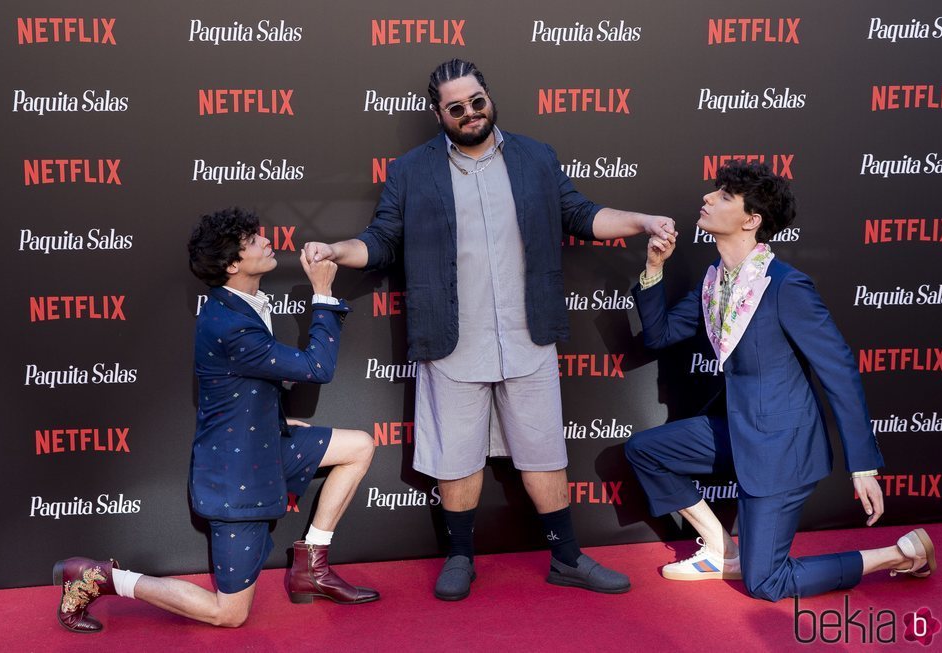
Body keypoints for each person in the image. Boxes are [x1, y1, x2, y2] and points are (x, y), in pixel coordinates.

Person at [304, 59, 675, 601]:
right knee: (456, 457)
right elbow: (382, 240)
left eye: (476, 101)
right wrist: (337, 249)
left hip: (529, 334)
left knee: (544, 451)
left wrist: (641, 221)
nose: (470, 113)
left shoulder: (534, 156)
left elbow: (582, 214)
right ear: (440, 114)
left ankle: (567, 558)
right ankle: (459, 557)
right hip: (450, 338)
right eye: (456, 107)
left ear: (487, 97)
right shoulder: (411, 170)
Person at [53, 208, 378, 633]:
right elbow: (317, 367)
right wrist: (322, 293)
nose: (266, 241)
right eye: (253, 240)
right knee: (229, 613)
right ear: (232, 264)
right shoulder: (230, 325)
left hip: (265, 446)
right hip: (235, 477)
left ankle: (311, 566)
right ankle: (103, 577)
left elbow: (244, 387)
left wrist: (277, 420)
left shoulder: (238, 305)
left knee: (360, 446)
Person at [624, 161, 936, 601]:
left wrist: (863, 465)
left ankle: (899, 555)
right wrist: (654, 266)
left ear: (751, 220)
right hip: (737, 429)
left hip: (780, 451)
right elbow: (659, 336)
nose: (708, 199)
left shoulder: (787, 286)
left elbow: (839, 371)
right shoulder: (714, 283)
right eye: (714, 192)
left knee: (766, 583)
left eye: (724, 196)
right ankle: (719, 549)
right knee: (645, 451)